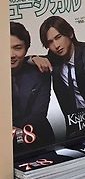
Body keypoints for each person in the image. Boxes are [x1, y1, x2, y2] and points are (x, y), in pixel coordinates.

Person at [32, 15, 85, 126]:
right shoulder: (54, 59)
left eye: (58, 37)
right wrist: (33, 58)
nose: (56, 45)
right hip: (76, 121)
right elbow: (29, 61)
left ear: (70, 33)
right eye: (50, 42)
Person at [10, 21, 53, 150]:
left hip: (38, 138)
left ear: (26, 48)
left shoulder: (39, 71)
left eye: (17, 48)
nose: (11, 55)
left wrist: (17, 132)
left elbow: (38, 115)